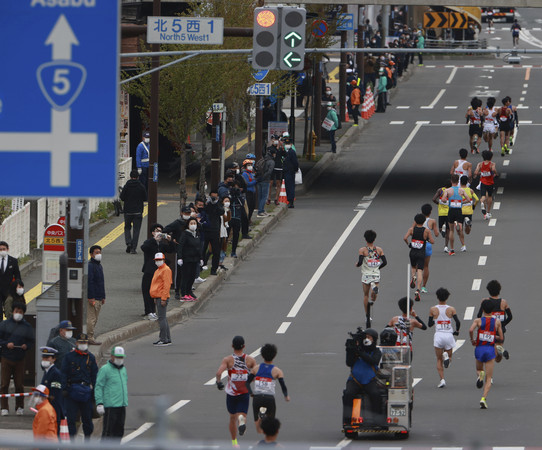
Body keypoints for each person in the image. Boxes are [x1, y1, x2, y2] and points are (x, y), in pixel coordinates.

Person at [215, 336, 257, 447]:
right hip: (244, 393)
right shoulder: (250, 360)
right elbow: (256, 373)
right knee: (242, 415)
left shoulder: (228, 360)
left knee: (232, 417)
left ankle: (234, 442)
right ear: (244, 346)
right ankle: (242, 420)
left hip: (231, 393)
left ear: (232, 346)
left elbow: (219, 373)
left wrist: (218, 382)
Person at [342, 328, 384, 426]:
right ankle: (347, 421)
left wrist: (360, 352)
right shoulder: (356, 350)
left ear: (374, 339)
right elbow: (349, 363)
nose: (367, 339)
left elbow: (373, 361)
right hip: (355, 380)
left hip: (369, 380)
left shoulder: (376, 351)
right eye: (365, 337)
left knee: (376, 395)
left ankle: (377, 421)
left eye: (369, 337)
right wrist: (351, 350)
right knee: (348, 394)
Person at [61, 333, 98, 440]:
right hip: (71, 392)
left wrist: (95, 393)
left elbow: (95, 376)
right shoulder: (69, 357)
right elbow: (64, 373)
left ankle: (87, 440)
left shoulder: (90, 357)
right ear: (76, 343)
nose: (83, 344)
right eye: (81, 342)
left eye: (85, 343)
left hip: (86, 393)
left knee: (87, 419)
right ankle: (71, 441)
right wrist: (64, 389)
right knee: (71, 419)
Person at [246, 343, 290, 434]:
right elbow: (283, 386)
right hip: (269, 398)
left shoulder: (256, 368)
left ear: (262, 355)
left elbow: (247, 383)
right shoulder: (277, 371)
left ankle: (261, 417)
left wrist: (251, 393)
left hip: (257, 397)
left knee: (258, 430)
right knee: (270, 425)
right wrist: (286, 396)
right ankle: (265, 418)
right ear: (274, 355)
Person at [0, 302, 35, 416]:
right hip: (6, 357)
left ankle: (19, 407)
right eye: (16, 311)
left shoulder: (27, 326)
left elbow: (31, 341)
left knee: (19, 384)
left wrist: (26, 346)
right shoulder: (5, 324)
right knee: (4, 384)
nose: (18, 314)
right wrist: (6, 344)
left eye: (20, 312)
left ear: (23, 313)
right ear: (13, 312)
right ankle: (4, 407)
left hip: (20, 358)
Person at [469, 299, 504, 409]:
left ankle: (480, 375)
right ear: (493, 310)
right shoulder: (497, 322)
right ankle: (483, 398)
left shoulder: (478, 321)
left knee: (479, 369)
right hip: (490, 350)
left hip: (479, 348)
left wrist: (472, 340)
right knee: (489, 378)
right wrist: (493, 336)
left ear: (483, 309)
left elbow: (470, 330)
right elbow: (501, 338)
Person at [140, 224, 175, 320]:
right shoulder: (149, 242)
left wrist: (170, 240)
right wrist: (153, 240)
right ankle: (149, 311)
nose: (159, 233)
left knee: (156, 291)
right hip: (149, 271)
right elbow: (143, 248)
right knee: (147, 291)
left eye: (160, 231)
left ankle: (154, 311)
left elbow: (171, 250)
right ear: (152, 233)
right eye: (156, 231)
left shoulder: (162, 245)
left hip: (160, 272)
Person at [428, 288, 460, 388]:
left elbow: (429, 324)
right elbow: (458, 322)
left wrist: (436, 321)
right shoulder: (451, 309)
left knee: (438, 359)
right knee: (449, 358)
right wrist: (457, 331)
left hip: (438, 335)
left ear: (437, 297)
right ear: (447, 297)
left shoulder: (433, 309)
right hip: (448, 335)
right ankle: (446, 356)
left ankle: (442, 380)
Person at [95, 346, 128, 441]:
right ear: (112, 356)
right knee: (108, 432)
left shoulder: (123, 369)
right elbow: (99, 386)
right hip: (111, 406)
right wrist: (99, 403)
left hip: (122, 404)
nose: (120, 359)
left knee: (119, 431)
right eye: (118, 357)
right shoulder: (105, 369)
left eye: (121, 357)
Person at [355, 230, 387, 327]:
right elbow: (385, 262)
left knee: (365, 295)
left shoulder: (362, 250)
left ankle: (367, 316)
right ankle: (373, 292)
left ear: (365, 239)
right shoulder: (379, 249)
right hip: (376, 273)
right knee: (374, 295)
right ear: (374, 239)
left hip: (366, 274)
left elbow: (360, 262)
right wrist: (377, 268)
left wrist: (357, 265)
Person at [476, 280, 512, 363]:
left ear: (488, 290)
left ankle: (485, 371)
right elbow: (510, 316)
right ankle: (499, 349)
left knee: (491, 354)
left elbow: (479, 315)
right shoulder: (503, 302)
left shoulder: (485, 301)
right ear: (499, 290)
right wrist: (502, 325)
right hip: (500, 331)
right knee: (498, 359)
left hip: (488, 330)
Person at [404, 213, 434, 301]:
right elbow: (432, 241)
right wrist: (427, 239)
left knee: (413, 267)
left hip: (413, 252)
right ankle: (418, 289)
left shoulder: (411, 229)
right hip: (421, 253)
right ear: (424, 221)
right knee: (420, 270)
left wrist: (409, 244)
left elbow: (404, 238)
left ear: (415, 221)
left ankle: (413, 276)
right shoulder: (426, 231)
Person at [164, 208, 190, 300]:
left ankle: (187, 291)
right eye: (186, 213)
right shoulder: (177, 223)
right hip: (179, 250)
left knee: (188, 272)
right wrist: (172, 238)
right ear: (182, 213)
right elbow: (165, 229)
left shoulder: (191, 223)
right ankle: (177, 291)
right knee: (179, 272)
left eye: (189, 213)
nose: (187, 214)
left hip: (189, 250)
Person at [120, 169, 147, 254]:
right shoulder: (141, 186)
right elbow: (145, 198)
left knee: (127, 227)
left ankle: (128, 242)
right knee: (136, 230)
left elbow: (122, 197)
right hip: (138, 211)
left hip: (128, 211)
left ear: (130, 177)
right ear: (138, 177)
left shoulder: (126, 186)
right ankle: (133, 248)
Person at [39, 347, 64, 434]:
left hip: (53, 407)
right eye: (43, 358)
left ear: (53, 359)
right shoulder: (47, 371)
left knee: (54, 432)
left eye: (47, 358)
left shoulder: (55, 373)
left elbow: (54, 394)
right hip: (47, 407)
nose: (44, 360)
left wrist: (42, 399)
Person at [440, 174, 467, 255]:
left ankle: (452, 249)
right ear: (458, 181)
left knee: (451, 230)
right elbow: (468, 199)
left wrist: (447, 201)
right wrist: (461, 202)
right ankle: (463, 245)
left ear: (451, 181)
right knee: (460, 228)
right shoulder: (461, 190)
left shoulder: (448, 190)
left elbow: (443, 199)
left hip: (451, 210)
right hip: (459, 210)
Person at [150, 252, 173, 346]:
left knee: (162, 318)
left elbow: (166, 285)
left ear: (163, 260)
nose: (157, 262)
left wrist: (163, 298)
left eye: (159, 260)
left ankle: (163, 339)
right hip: (158, 296)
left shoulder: (165, 270)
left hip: (162, 297)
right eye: (156, 260)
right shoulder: (159, 270)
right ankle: (167, 338)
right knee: (163, 318)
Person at [177, 217, 202, 301]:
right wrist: (180, 258)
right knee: (185, 276)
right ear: (188, 225)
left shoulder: (197, 234)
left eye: (194, 223)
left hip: (195, 259)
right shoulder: (185, 234)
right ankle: (183, 293)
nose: (193, 225)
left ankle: (189, 291)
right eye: (191, 223)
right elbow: (180, 246)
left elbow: (199, 246)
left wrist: (200, 258)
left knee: (192, 276)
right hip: (186, 259)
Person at [203, 190, 225, 276]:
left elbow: (221, 212)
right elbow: (204, 211)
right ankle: (202, 265)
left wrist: (215, 203)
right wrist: (208, 203)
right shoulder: (206, 203)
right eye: (212, 197)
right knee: (202, 249)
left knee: (216, 251)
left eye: (215, 197)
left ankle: (214, 269)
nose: (213, 198)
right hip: (205, 230)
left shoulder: (218, 204)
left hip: (215, 230)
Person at [87, 245, 105, 345]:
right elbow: (90, 282)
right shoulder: (90, 266)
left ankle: (91, 335)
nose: (99, 254)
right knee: (91, 318)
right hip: (93, 297)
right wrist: (90, 297)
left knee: (95, 318)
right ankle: (89, 337)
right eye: (96, 252)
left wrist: (103, 296)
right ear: (91, 254)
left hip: (99, 296)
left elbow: (101, 282)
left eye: (99, 252)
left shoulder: (99, 265)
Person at [420, 204, 439, 294]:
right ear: (430, 212)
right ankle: (423, 286)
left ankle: (415, 278)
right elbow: (436, 234)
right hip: (427, 245)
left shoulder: (417, 220)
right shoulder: (432, 221)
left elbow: (412, 230)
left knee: (417, 266)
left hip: (418, 244)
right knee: (426, 266)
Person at [474, 150, 498, 220]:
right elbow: (493, 169)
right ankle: (488, 212)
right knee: (490, 196)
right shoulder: (492, 164)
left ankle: (482, 202)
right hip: (490, 183)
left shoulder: (480, 164)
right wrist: (496, 173)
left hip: (483, 182)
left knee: (483, 196)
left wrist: (479, 173)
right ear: (491, 157)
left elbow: (476, 172)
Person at [0, 241, 21, 319]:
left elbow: (17, 275)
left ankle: (9, 326)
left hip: (9, 290)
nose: (2, 251)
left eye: (3, 249)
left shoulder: (13, 261)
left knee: (9, 310)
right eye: (0, 249)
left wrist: (19, 286)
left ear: (7, 249)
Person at [256, 147, 276, 217]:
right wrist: (264, 177)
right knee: (264, 197)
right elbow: (269, 171)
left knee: (260, 196)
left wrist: (259, 178)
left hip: (259, 180)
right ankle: (260, 211)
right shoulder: (271, 161)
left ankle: (261, 210)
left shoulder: (263, 159)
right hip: (265, 180)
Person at [432, 181, 451, 252]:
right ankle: (446, 246)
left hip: (441, 213)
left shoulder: (440, 190)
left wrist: (438, 204)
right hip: (449, 213)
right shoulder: (451, 191)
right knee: (448, 231)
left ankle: (442, 230)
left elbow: (433, 199)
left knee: (440, 228)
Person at [281, 137, 299, 209]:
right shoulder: (286, 152)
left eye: (288, 143)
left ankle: (291, 201)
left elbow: (295, 162)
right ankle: (289, 200)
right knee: (287, 186)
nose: (287, 145)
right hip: (286, 171)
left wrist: (295, 169)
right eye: (286, 143)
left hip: (290, 171)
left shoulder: (292, 152)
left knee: (290, 186)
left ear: (291, 144)